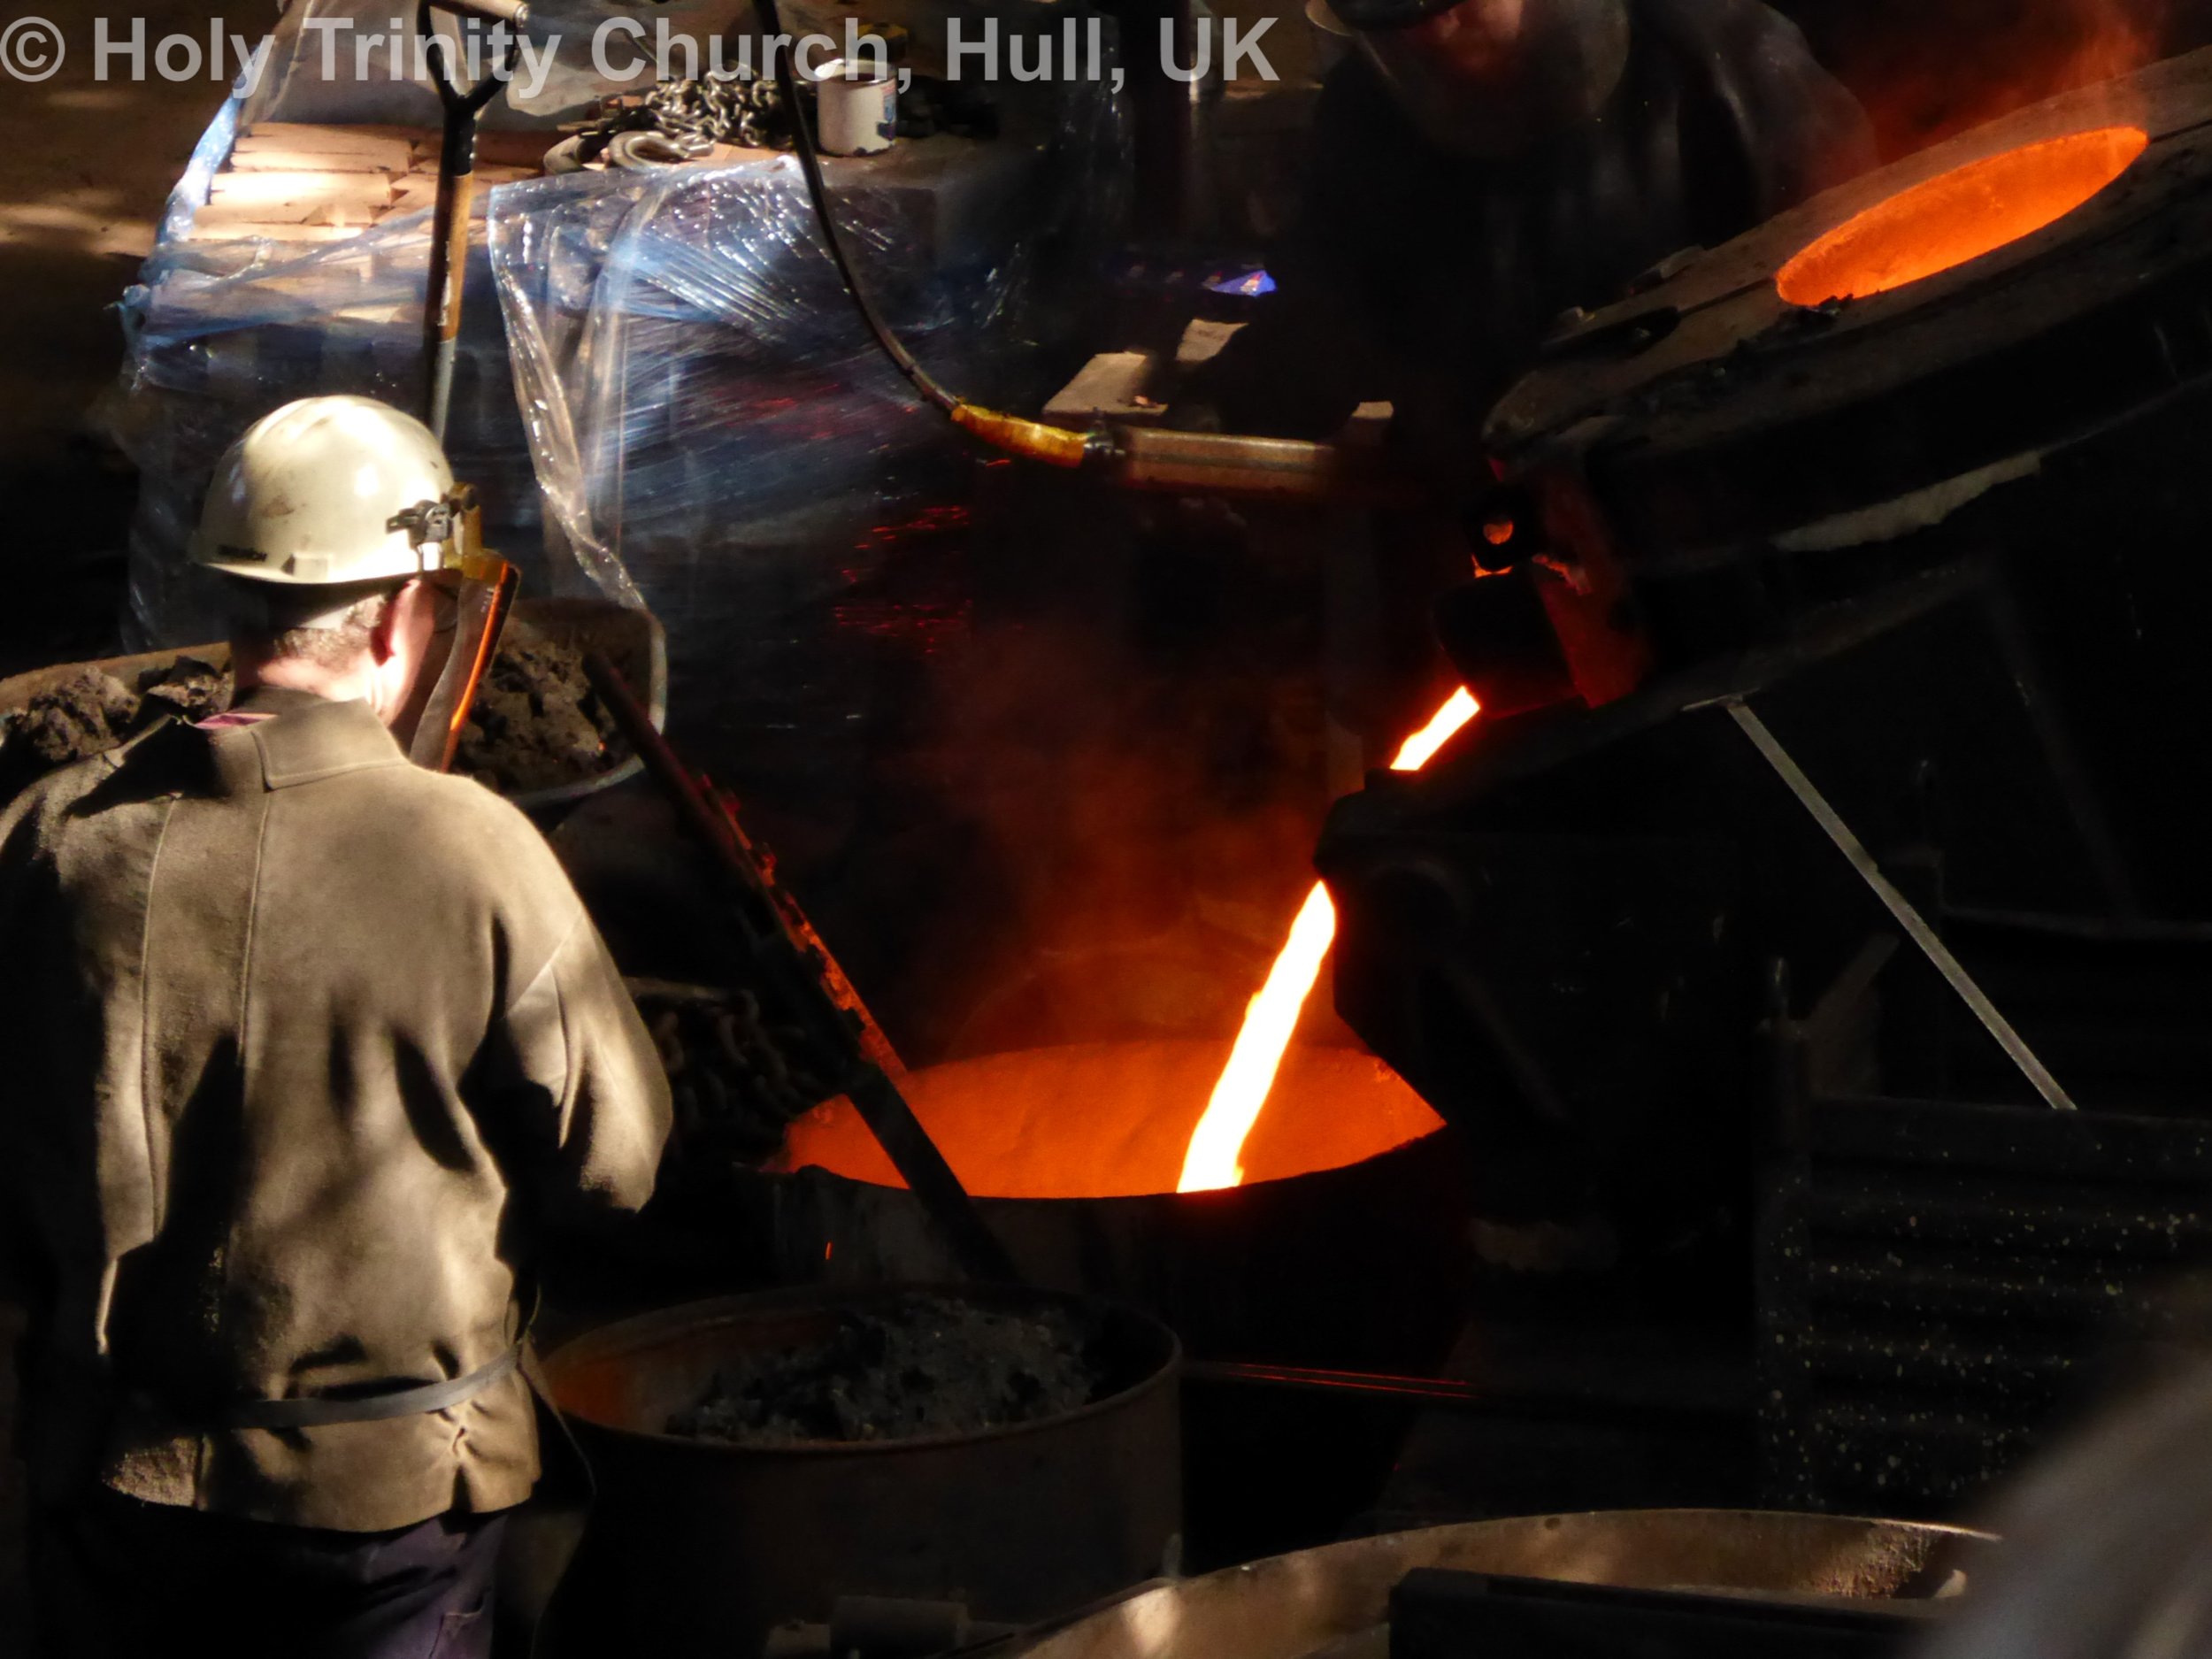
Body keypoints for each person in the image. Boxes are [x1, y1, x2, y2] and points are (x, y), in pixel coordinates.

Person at [0, 396, 673, 1659]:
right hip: (384, 1514)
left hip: (107, 1485)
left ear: (233, 605)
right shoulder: (474, 849)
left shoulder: (49, 836)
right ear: (411, 612)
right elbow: (614, 1166)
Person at [1181, 0, 1876, 474]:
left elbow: (1864, 290)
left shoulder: (1723, 62)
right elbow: (1319, 329)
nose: (1431, 38)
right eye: (1398, 25)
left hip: (1728, 502)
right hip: (1508, 532)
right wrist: (1213, 418)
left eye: (1451, 8)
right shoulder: (1368, 122)